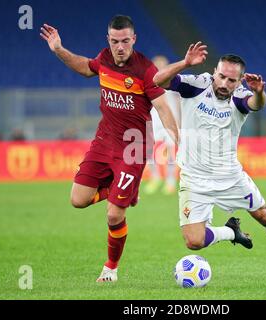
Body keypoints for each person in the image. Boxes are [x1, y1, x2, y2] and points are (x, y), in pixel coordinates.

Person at [153, 42, 266, 282]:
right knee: (194, 241)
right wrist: (185, 63)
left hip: (229, 176)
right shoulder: (196, 86)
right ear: (215, 73)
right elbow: (158, 80)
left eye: (231, 80)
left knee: (264, 215)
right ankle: (231, 232)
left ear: (240, 82)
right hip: (194, 178)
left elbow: (256, 105)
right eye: (221, 76)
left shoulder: (241, 98)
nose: (224, 83)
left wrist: (259, 92)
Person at [40, 15, 179, 283]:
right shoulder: (104, 58)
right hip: (103, 143)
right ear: (108, 40)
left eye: (125, 41)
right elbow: (84, 67)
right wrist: (58, 49)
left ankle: (110, 268)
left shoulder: (146, 70)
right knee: (78, 200)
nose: (120, 47)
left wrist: (179, 142)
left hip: (133, 148)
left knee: (115, 214)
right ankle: (125, 192)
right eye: (115, 41)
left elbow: (162, 107)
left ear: (133, 40)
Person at [145, 55, 181, 195]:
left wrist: (179, 121)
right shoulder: (149, 82)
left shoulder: (173, 81)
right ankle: (155, 178)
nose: (159, 67)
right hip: (154, 119)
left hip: (170, 120)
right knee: (149, 151)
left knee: (171, 152)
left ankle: (170, 181)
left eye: (162, 65)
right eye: (157, 65)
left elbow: (178, 102)